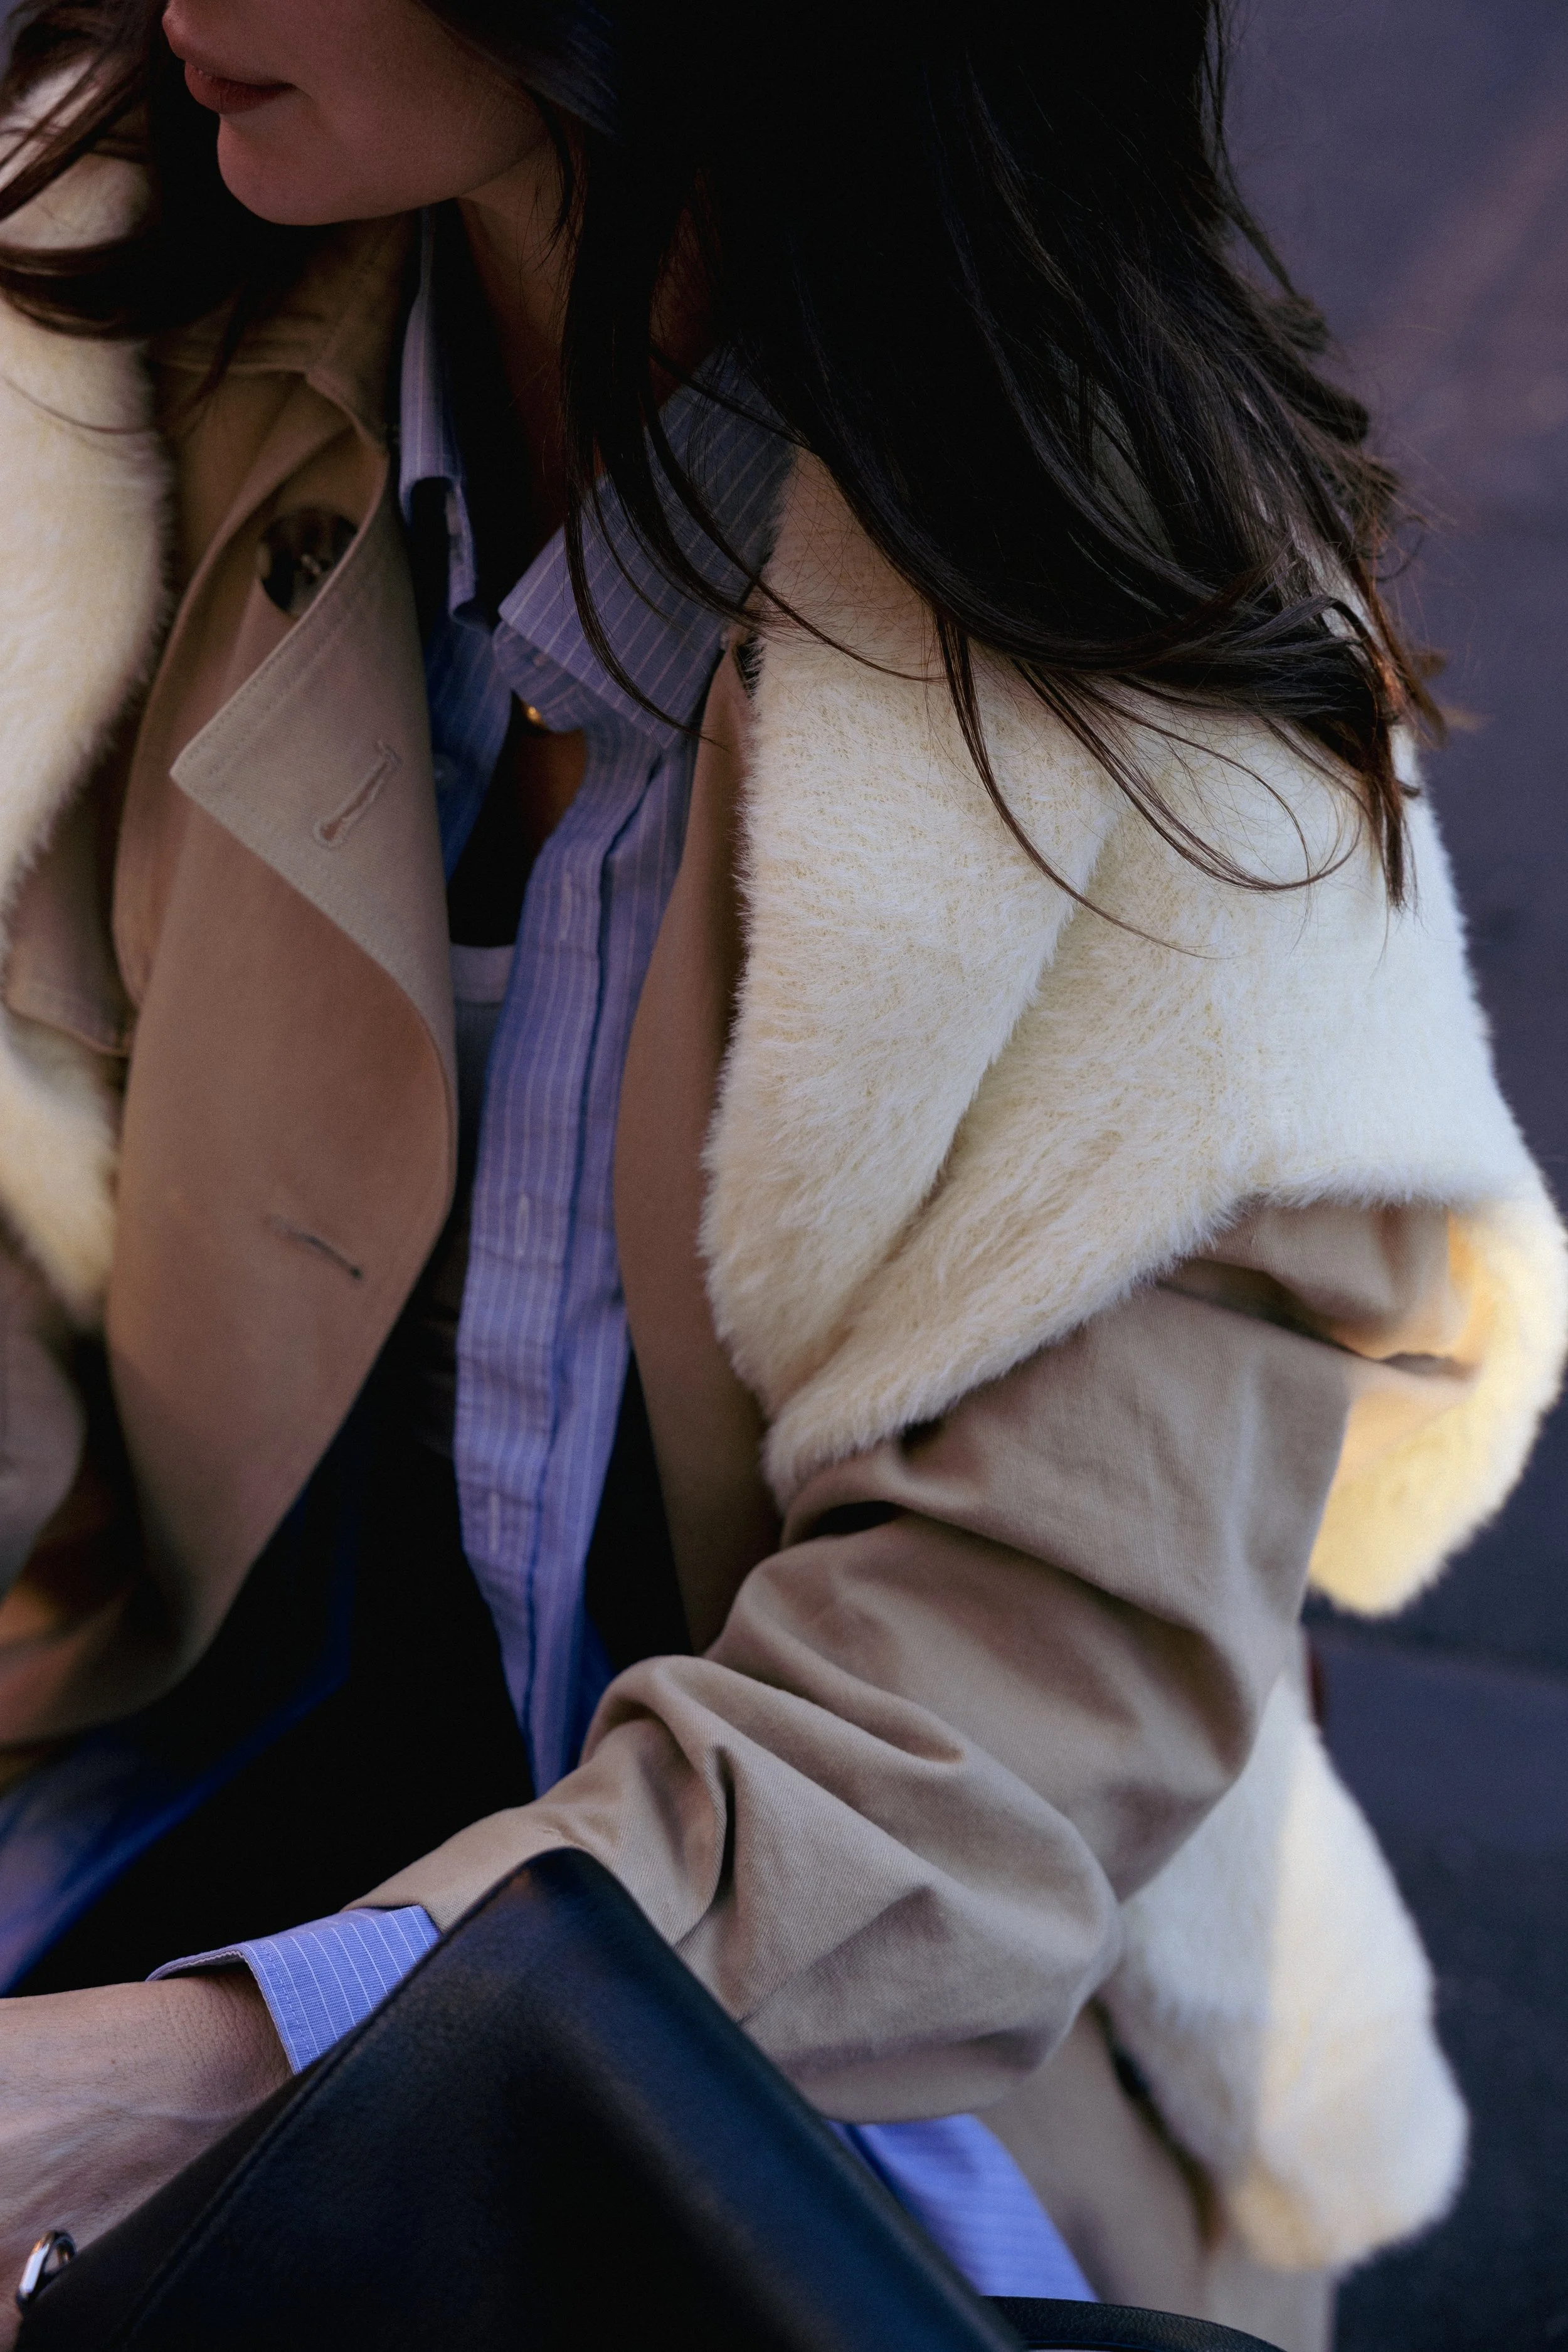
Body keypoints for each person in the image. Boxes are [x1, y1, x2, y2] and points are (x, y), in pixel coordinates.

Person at [0, 0, 1559, 2342]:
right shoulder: (119, 331)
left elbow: (979, 1740)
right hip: (165, 1778)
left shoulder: (1148, 657)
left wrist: (206, 2056)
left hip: (825, 2047)